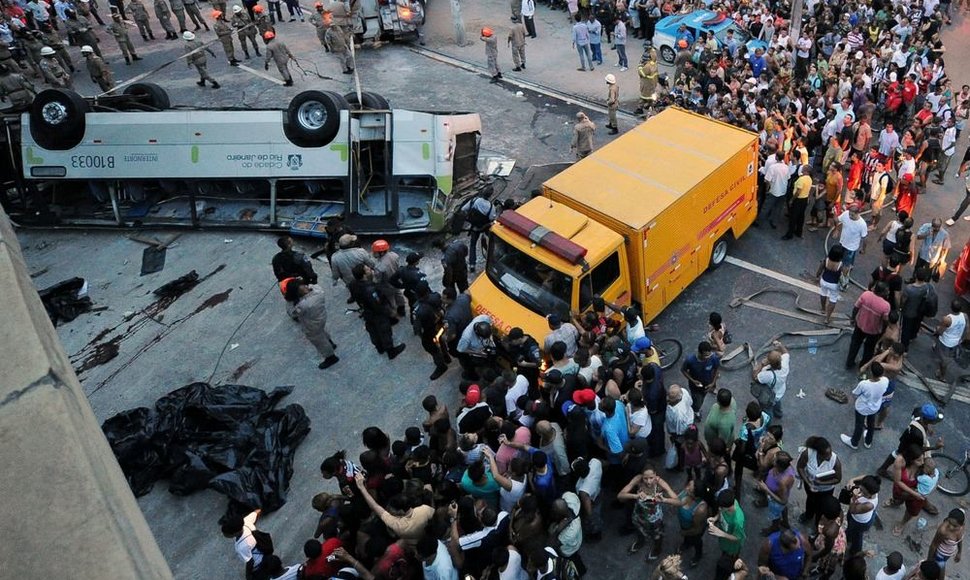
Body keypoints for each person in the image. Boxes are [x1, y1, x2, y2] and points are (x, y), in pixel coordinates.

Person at [617, 464, 677, 561]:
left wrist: (664, 500)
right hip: (639, 514)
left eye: (651, 478)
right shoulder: (638, 479)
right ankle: (640, 542)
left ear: (655, 475)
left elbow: (678, 501)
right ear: (641, 476)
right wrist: (635, 496)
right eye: (645, 478)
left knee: (657, 535)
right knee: (639, 530)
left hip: (654, 519)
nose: (648, 481)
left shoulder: (660, 483)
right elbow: (620, 496)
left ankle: (657, 549)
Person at [348, 263, 406, 359]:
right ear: (364, 275)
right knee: (384, 331)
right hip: (377, 314)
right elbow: (378, 304)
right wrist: (390, 312)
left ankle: (380, 348)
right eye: (367, 270)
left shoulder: (353, 284)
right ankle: (391, 351)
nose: (370, 270)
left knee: (373, 331)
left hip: (367, 312)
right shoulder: (370, 289)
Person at [841, 362, 889, 450]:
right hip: (875, 407)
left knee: (859, 425)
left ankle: (854, 442)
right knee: (871, 423)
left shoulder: (864, 384)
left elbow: (855, 394)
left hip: (862, 408)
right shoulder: (885, 381)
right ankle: (868, 441)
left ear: (871, 372)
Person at [797, 436, 842, 526]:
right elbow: (800, 467)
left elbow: (838, 479)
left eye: (830, 454)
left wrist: (821, 483)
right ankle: (808, 515)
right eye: (826, 455)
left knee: (822, 507)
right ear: (818, 453)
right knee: (810, 500)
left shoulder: (835, 461)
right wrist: (808, 483)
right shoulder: (808, 454)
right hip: (810, 486)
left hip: (826, 490)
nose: (829, 457)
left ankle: (818, 523)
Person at [845, 282, 891, 369]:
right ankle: (862, 367)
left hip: (860, 325)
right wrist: (883, 331)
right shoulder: (886, 306)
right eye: (887, 291)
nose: (888, 293)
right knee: (868, 350)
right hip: (874, 331)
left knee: (854, 344)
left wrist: (853, 318)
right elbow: (885, 321)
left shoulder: (866, 294)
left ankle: (849, 362)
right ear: (882, 292)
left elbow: (856, 307)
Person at [412, 282, 451, 380]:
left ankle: (441, 366)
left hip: (429, 333)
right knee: (441, 341)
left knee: (433, 349)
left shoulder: (417, 310)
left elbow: (417, 328)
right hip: (439, 326)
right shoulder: (436, 296)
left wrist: (421, 336)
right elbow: (442, 308)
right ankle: (446, 356)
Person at [756, 451, 795, 536]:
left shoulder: (783, 482)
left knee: (775, 515)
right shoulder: (788, 466)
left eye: (774, 460)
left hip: (776, 501)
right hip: (780, 494)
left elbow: (783, 501)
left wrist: (766, 489)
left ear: (779, 466)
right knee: (784, 508)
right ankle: (785, 522)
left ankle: (774, 527)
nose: (772, 460)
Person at [709, 490, 746, 580]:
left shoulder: (738, 520)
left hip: (732, 547)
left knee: (727, 564)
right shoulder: (728, 503)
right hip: (724, 542)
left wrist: (720, 533)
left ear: (729, 506)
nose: (719, 508)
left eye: (721, 507)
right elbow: (720, 512)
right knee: (724, 553)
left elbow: (738, 537)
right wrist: (715, 518)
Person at [681, 341, 720, 421]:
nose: (708, 357)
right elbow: (683, 370)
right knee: (697, 401)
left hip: (707, 385)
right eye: (706, 355)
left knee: (702, 398)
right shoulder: (690, 360)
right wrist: (693, 381)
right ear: (699, 352)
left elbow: (716, 370)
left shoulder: (713, 358)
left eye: (709, 354)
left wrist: (712, 383)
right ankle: (696, 411)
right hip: (695, 387)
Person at [843, 474, 880, 556]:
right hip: (856, 516)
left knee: (857, 536)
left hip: (859, 521)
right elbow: (865, 477)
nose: (860, 492)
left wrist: (854, 498)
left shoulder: (869, 505)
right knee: (850, 530)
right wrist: (852, 479)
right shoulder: (872, 486)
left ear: (870, 494)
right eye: (861, 489)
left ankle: (855, 552)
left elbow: (853, 510)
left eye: (864, 492)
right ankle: (848, 536)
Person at [751, 341, 789, 419]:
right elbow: (786, 353)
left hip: (770, 395)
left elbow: (755, 377)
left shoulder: (768, 375)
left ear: (770, 363)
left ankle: (769, 421)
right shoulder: (784, 364)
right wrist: (780, 345)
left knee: (767, 409)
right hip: (780, 391)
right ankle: (778, 414)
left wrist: (762, 364)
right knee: (777, 403)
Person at [834, 204, 869, 288]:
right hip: (842, 242)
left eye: (852, 215)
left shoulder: (862, 224)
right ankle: (847, 269)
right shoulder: (846, 214)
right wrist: (836, 229)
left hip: (851, 248)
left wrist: (864, 249)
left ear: (858, 213)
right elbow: (837, 220)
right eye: (849, 214)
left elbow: (865, 238)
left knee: (845, 265)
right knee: (844, 261)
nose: (850, 216)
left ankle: (843, 281)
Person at [934, 300, 966, 382]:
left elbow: (940, 331)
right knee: (949, 356)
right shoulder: (964, 316)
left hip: (945, 342)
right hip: (956, 342)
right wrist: (962, 339)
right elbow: (967, 329)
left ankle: (941, 375)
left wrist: (937, 330)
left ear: (951, 308)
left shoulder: (947, 319)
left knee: (944, 360)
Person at [927, 509, 965, 577]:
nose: (950, 527)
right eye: (949, 522)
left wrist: (959, 552)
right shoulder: (943, 531)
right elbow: (933, 545)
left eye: (955, 526)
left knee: (937, 569)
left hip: (948, 554)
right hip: (940, 554)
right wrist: (928, 562)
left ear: (961, 525)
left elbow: (960, 540)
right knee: (941, 572)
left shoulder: (962, 528)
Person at [782, 166, 813, 239]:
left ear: (806, 171)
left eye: (803, 168)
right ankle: (799, 232)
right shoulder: (809, 179)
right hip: (804, 199)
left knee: (793, 217)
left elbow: (798, 192)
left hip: (798, 200)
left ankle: (789, 234)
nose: (802, 169)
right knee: (801, 216)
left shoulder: (801, 179)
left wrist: (792, 200)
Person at [818, 244, 844, 324]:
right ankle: (827, 318)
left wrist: (817, 276)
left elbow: (820, 269)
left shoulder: (826, 260)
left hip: (824, 281)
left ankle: (823, 309)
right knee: (833, 299)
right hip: (834, 284)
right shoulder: (840, 264)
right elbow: (842, 274)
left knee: (823, 293)